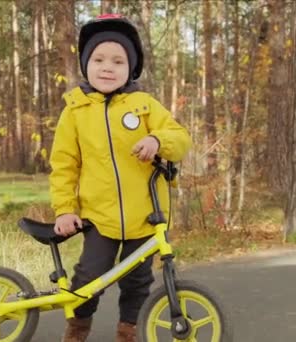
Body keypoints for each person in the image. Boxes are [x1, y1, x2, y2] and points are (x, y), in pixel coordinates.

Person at [49, 14, 193, 342]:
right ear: (86, 65)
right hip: (99, 216)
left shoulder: (144, 106)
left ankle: (128, 330)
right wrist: (65, 209)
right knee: (89, 275)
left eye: (118, 61)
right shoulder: (75, 111)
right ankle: (77, 327)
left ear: (131, 68)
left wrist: (158, 140)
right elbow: (64, 165)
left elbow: (179, 137)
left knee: (137, 280)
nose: (107, 67)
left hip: (145, 214)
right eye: (98, 60)